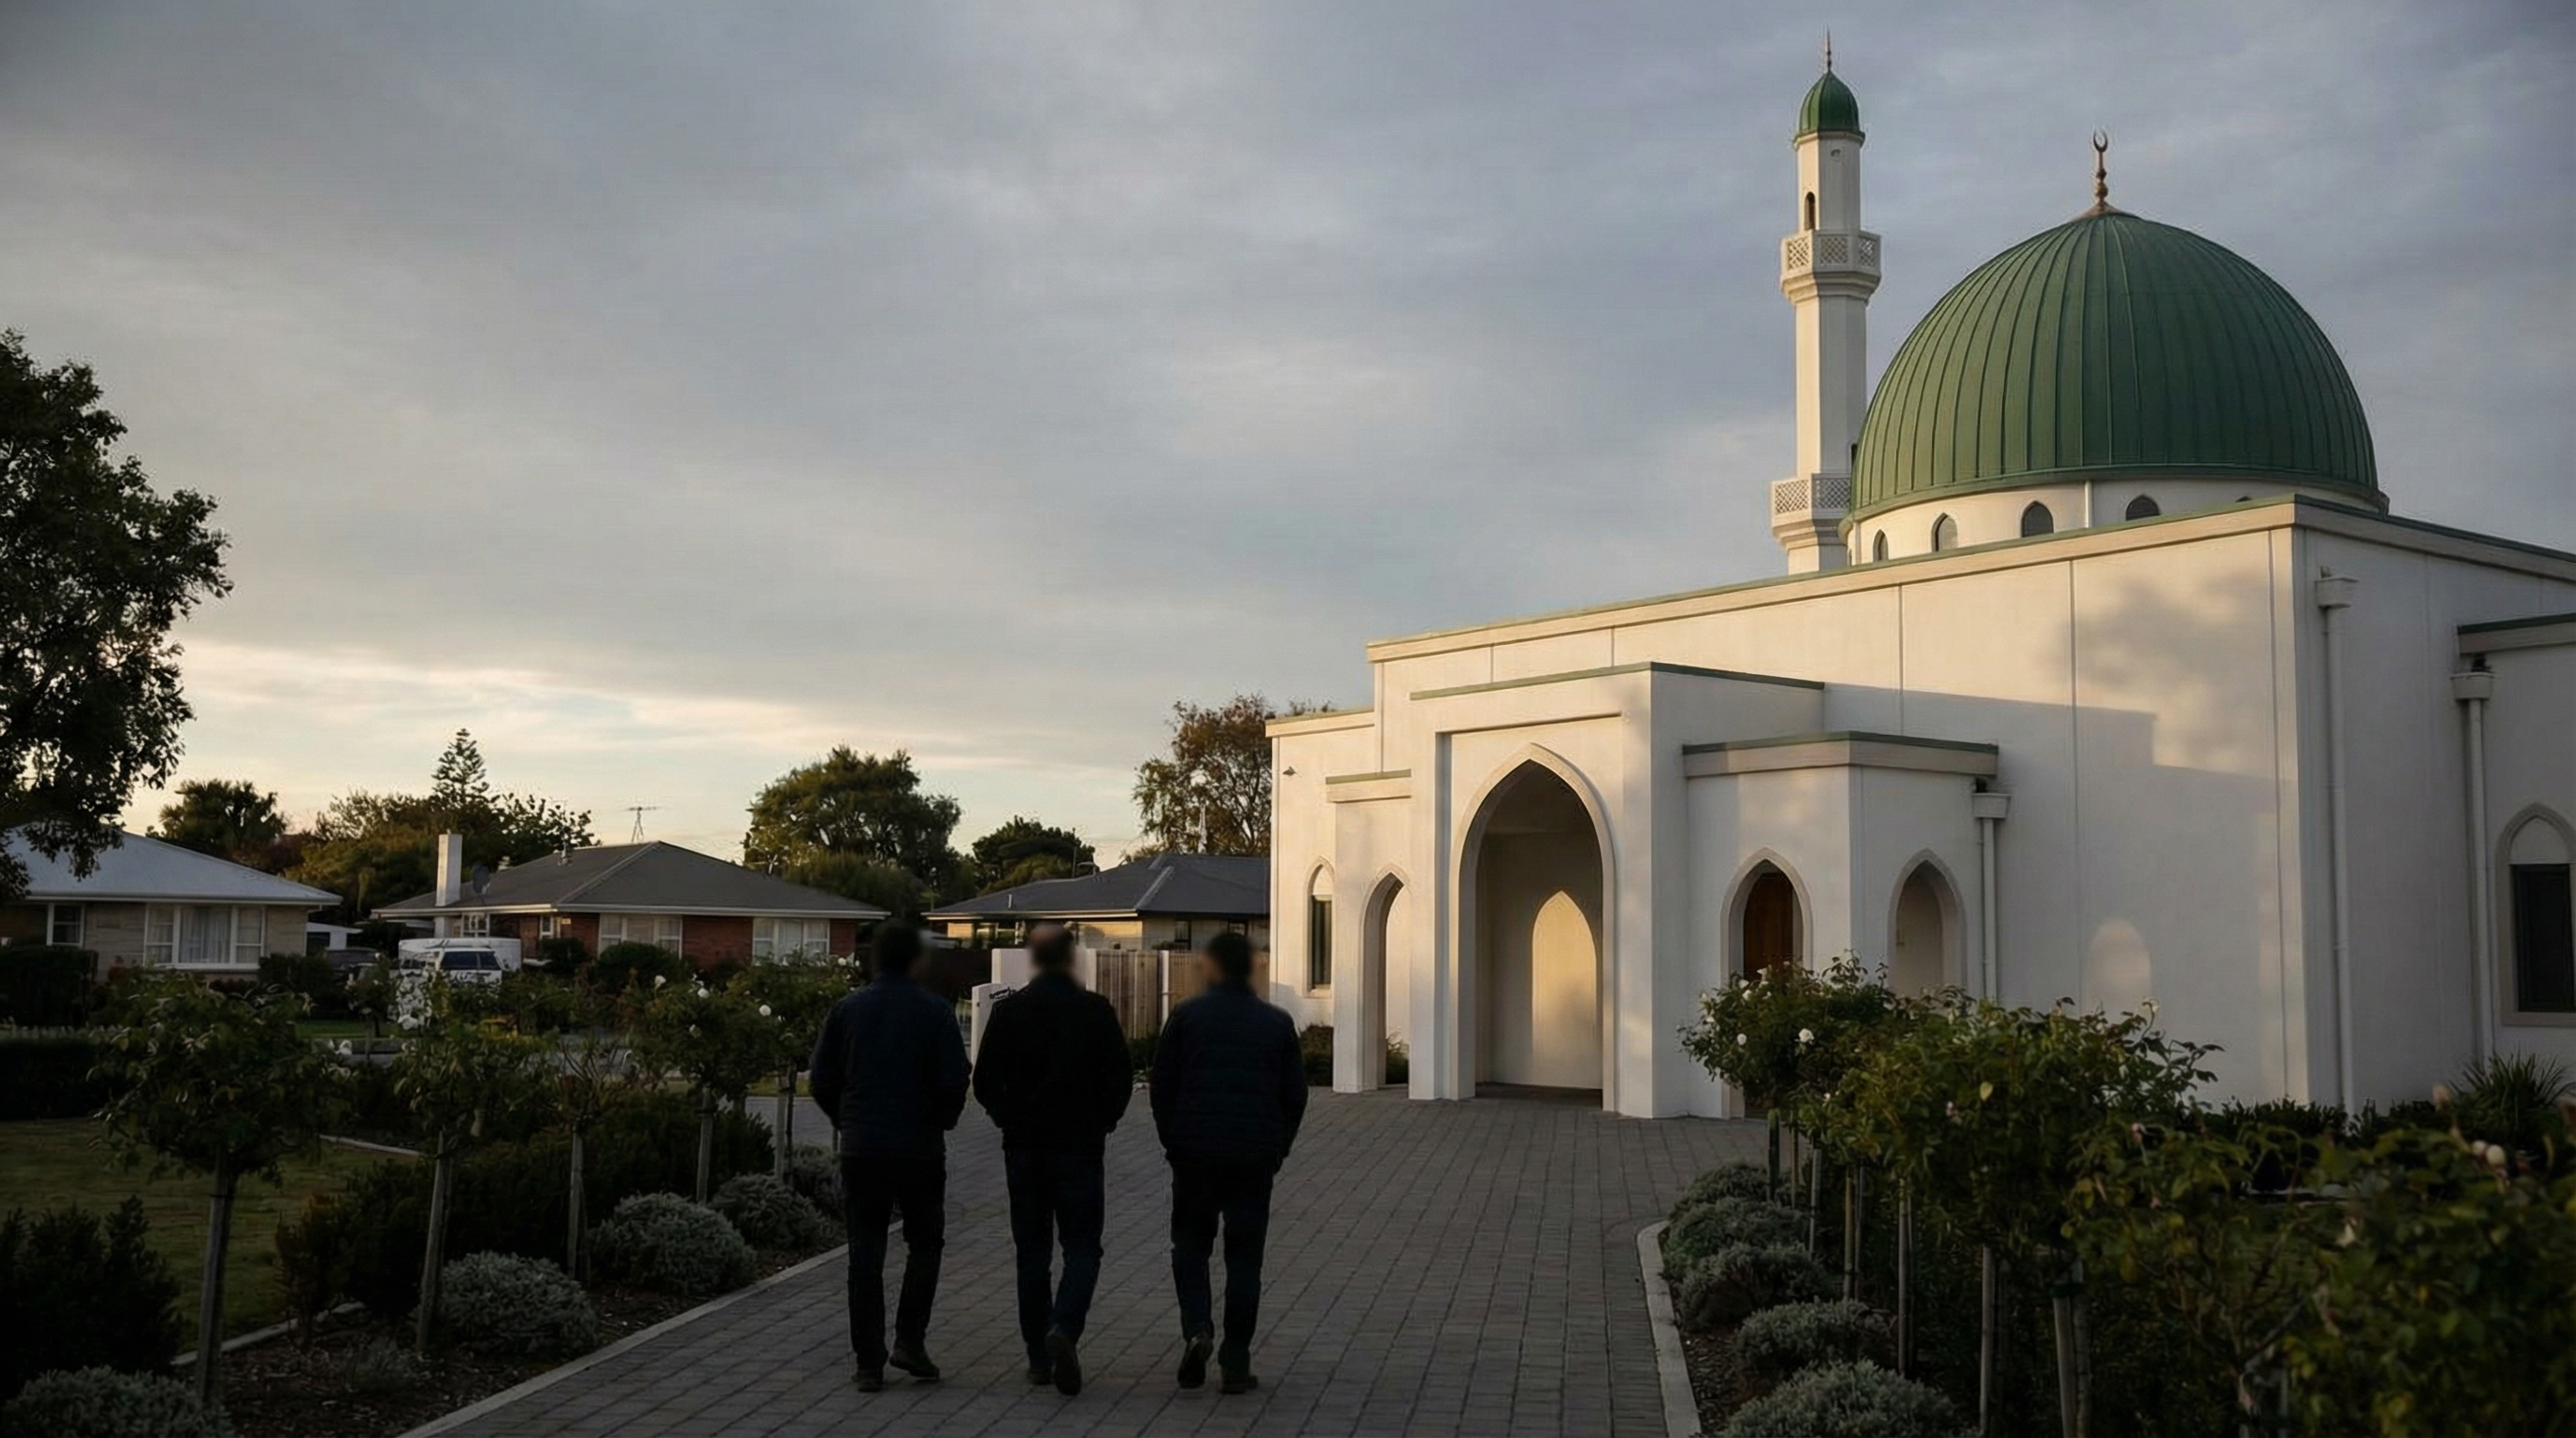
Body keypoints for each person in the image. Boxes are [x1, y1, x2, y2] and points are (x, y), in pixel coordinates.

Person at [972, 921, 1134, 1395]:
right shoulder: (1095, 1012)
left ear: (1035, 960)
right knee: (1083, 1246)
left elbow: (984, 1082)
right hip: (1080, 1149)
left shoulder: (1010, 1013)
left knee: (1032, 1252)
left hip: (1024, 1150)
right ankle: (1065, 1326)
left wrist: (1008, 1118)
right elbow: (1119, 1079)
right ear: (1071, 959)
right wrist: (1103, 1120)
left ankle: (1038, 1357)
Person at [809, 923, 969, 1392]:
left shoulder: (847, 1010)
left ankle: (868, 1362)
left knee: (866, 1249)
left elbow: (821, 1078)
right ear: (918, 961)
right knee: (925, 1243)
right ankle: (910, 1341)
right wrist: (942, 1120)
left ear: (874, 961)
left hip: (863, 1146)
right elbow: (953, 1081)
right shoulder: (936, 1014)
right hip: (919, 1147)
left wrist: (847, 1120)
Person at [1149, 930, 1308, 1394]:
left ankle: (1198, 1327)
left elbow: (1163, 1086)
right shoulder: (1277, 1024)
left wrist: (1173, 1141)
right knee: (1244, 1260)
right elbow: (1294, 1096)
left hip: (1195, 1154)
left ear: (1214, 966)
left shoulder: (1186, 1017)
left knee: (1191, 1248)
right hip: (1253, 1156)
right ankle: (1236, 1358)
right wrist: (1278, 1147)